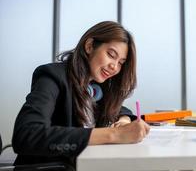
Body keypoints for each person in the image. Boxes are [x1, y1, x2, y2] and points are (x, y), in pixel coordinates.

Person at [12, 21, 150, 169]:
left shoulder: (95, 87)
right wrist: (114, 134)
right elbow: (27, 135)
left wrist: (124, 120)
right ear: (89, 46)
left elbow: (119, 109)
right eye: (111, 55)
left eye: (121, 62)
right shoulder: (53, 76)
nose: (114, 67)